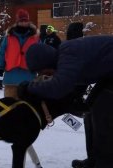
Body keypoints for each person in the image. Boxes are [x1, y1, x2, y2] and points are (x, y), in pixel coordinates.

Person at [23, 36, 113, 168]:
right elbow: (76, 80)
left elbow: (59, 87)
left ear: (46, 61)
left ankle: (106, 163)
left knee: (103, 113)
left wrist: (28, 88)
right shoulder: (65, 57)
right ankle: (94, 159)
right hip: (109, 74)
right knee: (90, 110)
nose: (42, 75)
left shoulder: (68, 53)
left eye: (40, 71)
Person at [0, 9, 42, 168]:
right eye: (21, 20)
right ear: (17, 21)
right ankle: (13, 134)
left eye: (25, 20)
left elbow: (41, 54)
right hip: (10, 78)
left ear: (28, 21)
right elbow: (2, 53)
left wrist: (42, 67)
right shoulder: (8, 37)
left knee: (26, 114)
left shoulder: (35, 37)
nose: (23, 22)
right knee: (9, 111)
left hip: (28, 79)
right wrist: (0, 66)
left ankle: (23, 136)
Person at [63, 22, 94, 168]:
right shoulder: (82, 46)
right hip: (99, 82)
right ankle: (94, 158)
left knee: (98, 118)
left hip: (104, 82)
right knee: (91, 118)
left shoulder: (75, 48)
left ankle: (100, 160)